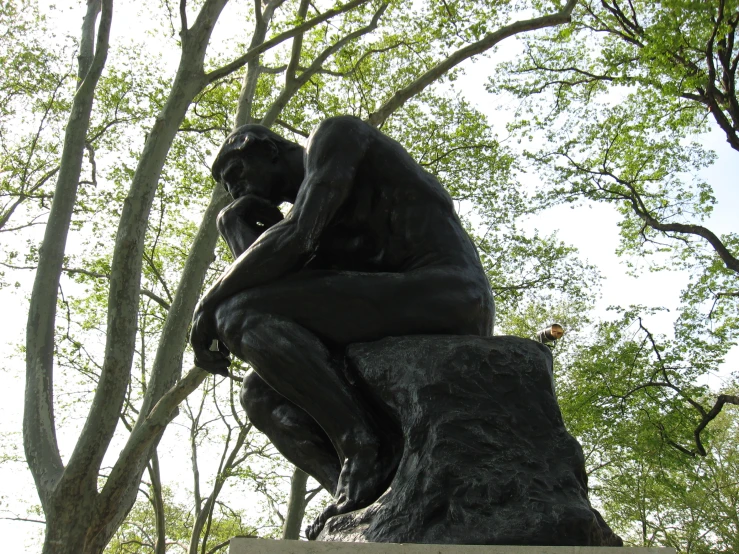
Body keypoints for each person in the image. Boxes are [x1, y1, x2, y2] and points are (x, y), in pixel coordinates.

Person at [190, 116, 494, 538]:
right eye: (227, 185)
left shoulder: (336, 138)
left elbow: (295, 242)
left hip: (448, 293)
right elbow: (273, 290)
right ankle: (364, 502)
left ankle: (361, 445)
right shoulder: (308, 217)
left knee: (234, 315)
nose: (234, 188)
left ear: (267, 149)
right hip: (392, 303)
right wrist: (234, 225)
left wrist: (208, 304)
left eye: (236, 173)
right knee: (259, 392)